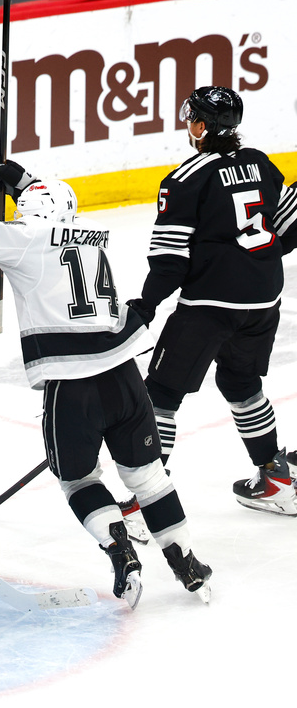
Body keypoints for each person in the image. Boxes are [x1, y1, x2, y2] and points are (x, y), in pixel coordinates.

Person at [0, 134, 212, 608]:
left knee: (80, 482)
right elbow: (53, 207)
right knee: (147, 477)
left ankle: (120, 550)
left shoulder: (27, 240)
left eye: (25, 207)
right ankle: (186, 560)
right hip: (124, 379)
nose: (20, 214)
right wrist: (22, 181)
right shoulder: (93, 236)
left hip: (71, 388)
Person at [125, 86, 297, 518]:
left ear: (201, 126)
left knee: (161, 394)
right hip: (263, 300)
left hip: (209, 307)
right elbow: (287, 233)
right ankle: (275, 478)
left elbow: (169, 262)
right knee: (241, 384)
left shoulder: (184, 179)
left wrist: (144, 307)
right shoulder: (259, 162)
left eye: (191, 118)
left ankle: (150, 498)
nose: (188, 124)